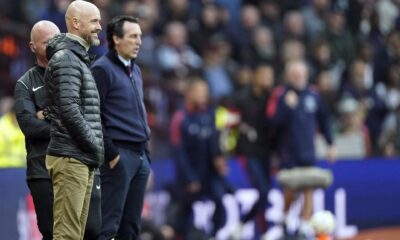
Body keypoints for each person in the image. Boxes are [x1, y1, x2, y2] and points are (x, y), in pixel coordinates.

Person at [14, 20, 102, 240]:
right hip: (42, 168)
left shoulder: (76, 70)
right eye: (46, 42)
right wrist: (67, 121)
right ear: (33, 46)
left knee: (91, 229)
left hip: (81, 160)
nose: (53, 45)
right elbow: (29, 126)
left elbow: (88, 114)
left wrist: (47, 114)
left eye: (56, 39)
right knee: (53, 231)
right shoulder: (25, 84)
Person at [44, 1, 103, 239]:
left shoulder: (77, 58)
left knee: (76, 233)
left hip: (80, 156)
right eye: (94, 21)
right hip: (72, 155)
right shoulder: (67, 59)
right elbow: (69, 109)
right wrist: (93, 144)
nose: (100, 26)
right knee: (68, 233)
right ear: (76, 23)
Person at [91, 16, 151, 239]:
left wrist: (146, 155)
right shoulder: (102, 69)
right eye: (133, 36)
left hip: (140, 155)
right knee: (108, 226)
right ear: (116, 39)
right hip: (119, 155)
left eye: (140, 37)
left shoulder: (135, 70)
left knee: (131, 227)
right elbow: (92, 116)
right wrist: (111, 153)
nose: (139, 42)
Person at [267, 61, 335, 239]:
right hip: (288, 152)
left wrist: (330, 144)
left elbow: (324, 119)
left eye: (301, 74)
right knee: (291, 188)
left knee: (309, 187)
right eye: (295, 75)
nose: (298, 78)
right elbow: (273, 123)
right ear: (289, 76)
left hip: (308, 150)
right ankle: (283, 218)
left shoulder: (313, 94)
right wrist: (286, 107)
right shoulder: (281, 95)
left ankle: (305, 226)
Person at [170, 79, 230, 239]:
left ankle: (214, 234)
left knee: (219, 200)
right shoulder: (180, 117)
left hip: (209, 172)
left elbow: (214, 142)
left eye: (206, 91)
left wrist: (219, 159)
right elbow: (178, 151)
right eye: (200, 91)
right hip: (190, 173)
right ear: (189, 93)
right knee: (185, 210)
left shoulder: (209, 114)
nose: (204, 95)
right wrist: (190, 178)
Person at [231, 64, 275, 239]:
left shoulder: (272, 98)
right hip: (248, 151)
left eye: (270, 76)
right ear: (255, 76)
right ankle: (243, 224)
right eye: (264, 75)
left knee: (266, 192)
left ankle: (264, 231)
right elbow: (228, 119)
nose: (267, 79)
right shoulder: (242, 97)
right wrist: (241, 126)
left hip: (266, 151)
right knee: (263, 189)